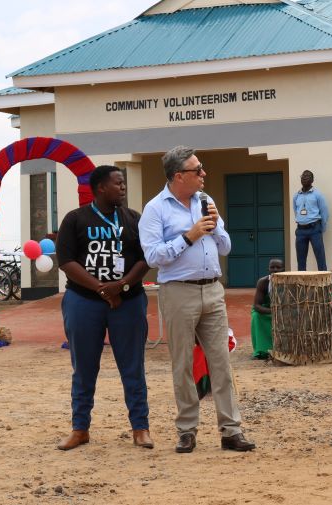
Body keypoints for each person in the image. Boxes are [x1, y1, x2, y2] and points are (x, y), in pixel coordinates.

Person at [139, 145, 255, 453]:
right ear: (179, 176)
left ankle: (231, 431)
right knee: (183, 365)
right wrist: (188, 236)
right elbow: (153, 256)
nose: (204, 173)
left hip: (213, 290)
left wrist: (214, 229)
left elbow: (226, 247)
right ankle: (187, 431)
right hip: (178, 291)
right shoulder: (155, 209)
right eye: (197, 169)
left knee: (221, 363)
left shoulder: (206, 201)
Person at [55, 165, 152, 451]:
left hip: (128, 302)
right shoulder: (75, 219)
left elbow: (146, 258)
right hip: (83, 302)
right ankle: (80, 429)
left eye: (123, 183)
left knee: (133, 367)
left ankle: (140, 428)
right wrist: (100, 288)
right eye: (118, 183)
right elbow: (66, 261)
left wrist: (121, 286)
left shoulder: (133, 219)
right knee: (84, 368)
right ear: (100, 188)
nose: (123, 188)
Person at [293, 170, 329, 271]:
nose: (305, 178)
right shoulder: (296, 196)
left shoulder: (318, 194)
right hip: (300, 230)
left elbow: (324, 212)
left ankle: (323, 280)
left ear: (312, 180)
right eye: (303, 176)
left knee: (320, 258)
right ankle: (301, 281)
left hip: (315, 229)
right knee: (301, 261)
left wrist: (321, 228)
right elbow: (296, 211)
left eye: (308, 176)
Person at [251, 258, 284, 359]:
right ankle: (262, 351)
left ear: (283, 269)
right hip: (267, 309)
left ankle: (284, 349)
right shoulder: (263, 282)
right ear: (268, 269)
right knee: (256, 316)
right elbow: (257, 305)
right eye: (272, 267)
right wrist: (273, 312)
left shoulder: (289, 282)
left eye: (278, 267)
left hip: (284, 310)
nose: (275, 270)